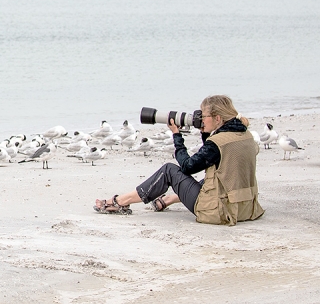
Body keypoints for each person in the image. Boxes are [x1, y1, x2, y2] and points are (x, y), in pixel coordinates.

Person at [94, 95, 265, 225]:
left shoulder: (217, 143)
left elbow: (187, 166)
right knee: (216, 174)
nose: (200, 119)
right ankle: (171, 198)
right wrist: (206, 135)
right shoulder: (245, 135)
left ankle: (121, 201)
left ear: (217, 118)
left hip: (219, 211)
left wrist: (177, 136)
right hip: (246, 208)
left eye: (203, 116)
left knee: (169, 170)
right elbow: (215, 160)